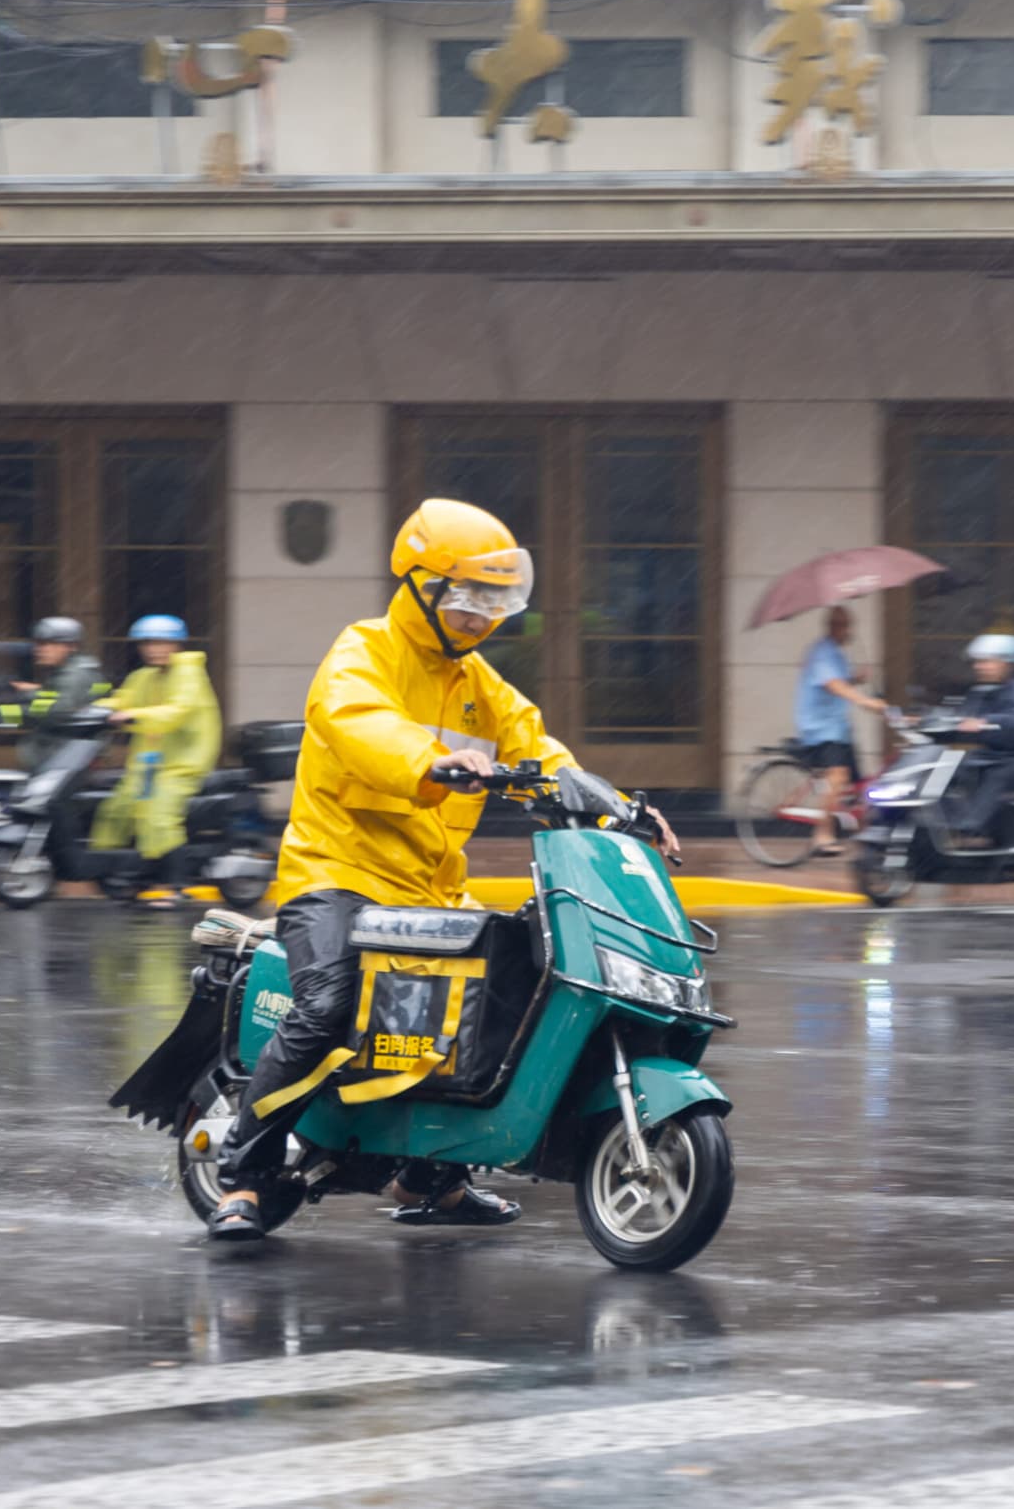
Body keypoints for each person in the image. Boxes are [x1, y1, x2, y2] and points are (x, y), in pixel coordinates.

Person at [208, 498, 679, 1244]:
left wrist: (619, 809)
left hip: (428, 890)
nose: (481, 615)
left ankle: (433, 1174)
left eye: (496, 600)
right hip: (338, 876)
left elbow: (544, 754)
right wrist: (432, 762)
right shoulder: (361, 653)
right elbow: (364, 726)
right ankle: (244, 1175)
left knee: (508, 997)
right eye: (467, 597)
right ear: (421, 587)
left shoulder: (479, 685)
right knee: (329, 1007)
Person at [91, 615, 222, 911]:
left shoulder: (189, 673)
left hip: (182, 764)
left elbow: (178, 710)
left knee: (158, 815)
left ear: (177, 644)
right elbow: (121, 700)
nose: (154, 649)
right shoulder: (143, 677)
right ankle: (123, 876)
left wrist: (134, 716)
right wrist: (93, 711)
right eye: (148, 642)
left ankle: (176, 885)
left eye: (162, 642)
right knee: (116, 810)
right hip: (149, 765)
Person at [793, 606, 886, 855]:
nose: (847, 630)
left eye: (848, 625)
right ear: (834, 627)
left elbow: (840, 681)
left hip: (838, 729)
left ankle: (867, 836)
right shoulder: (823, 652)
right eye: (843, 625)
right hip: (821, 729)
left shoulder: (836, 653)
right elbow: (833, 684)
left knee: (858, 786)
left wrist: (857, 678)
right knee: (838, 776)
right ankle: (822, 835)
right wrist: (865, 701)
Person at [947, 633, 1014, 847]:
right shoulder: (980, 692)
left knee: (998, 776)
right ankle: (946, 824)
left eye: (986, 661)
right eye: (977, 662)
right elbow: (962, 716)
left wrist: (987, 721)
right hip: (989, 756)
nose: (979, 666)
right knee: (945, 770)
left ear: (1007, 664)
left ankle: (972, 828)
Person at [11, 616, 104, 771]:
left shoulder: (76, 674)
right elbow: (54, 699)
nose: (40, 650)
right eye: (39, 644)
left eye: (49, 644)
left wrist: (4, 714)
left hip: (63, 759)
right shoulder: (70, 671)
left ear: (72, 646)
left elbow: (57, 711)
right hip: (63, 756)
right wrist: (34, 692)